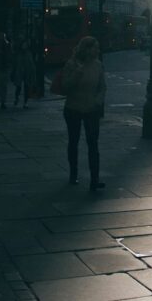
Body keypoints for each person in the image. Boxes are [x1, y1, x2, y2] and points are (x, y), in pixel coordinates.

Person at [61, 36, 107, 192]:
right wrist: (77, 73)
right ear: (86, 49)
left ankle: (95, 179)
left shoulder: (98, 65)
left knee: (93, 144)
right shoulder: (72, 64)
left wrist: (98, 101)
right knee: (73, 141)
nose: (98, 50)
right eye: (95, 47)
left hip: (92, 109)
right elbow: (65, 87)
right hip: (73, 108)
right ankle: (73, 174)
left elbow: (102, 87)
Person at [12, 40, 36, 108]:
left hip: (27, 73)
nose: (24, 46)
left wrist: (33, 73)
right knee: (18, 87)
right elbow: (15, 63)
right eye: (23, 45)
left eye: (25, 45)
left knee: (26, 88)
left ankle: (25, 103)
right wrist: (14, 72)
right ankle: (16, 98)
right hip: (19, 72)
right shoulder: (18, 54)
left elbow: (31, 64)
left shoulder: (29, 53)